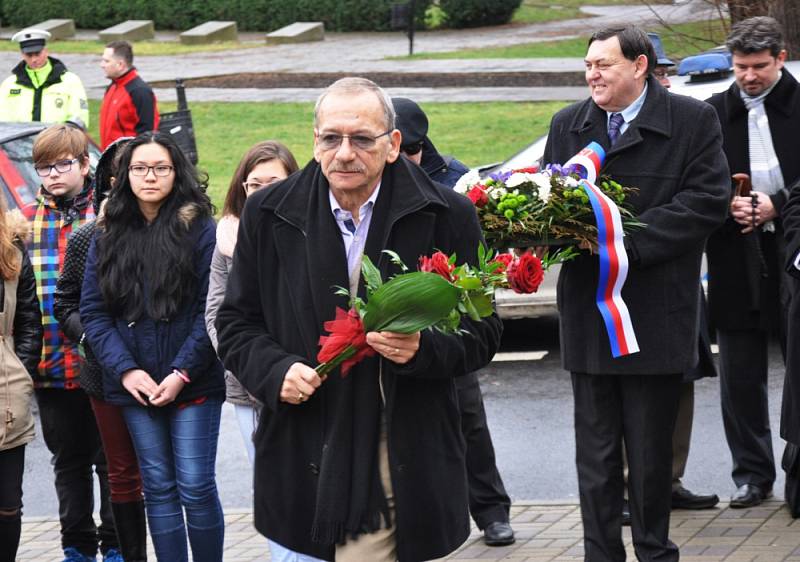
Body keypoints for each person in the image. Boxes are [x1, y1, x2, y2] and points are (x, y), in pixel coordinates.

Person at [215, 77, 503, 561]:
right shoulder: (269, 212)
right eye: (331, 138)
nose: (344, 153)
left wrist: (423, 349)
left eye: (361, 139)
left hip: (401, 438)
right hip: (304, 439)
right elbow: (237, 322)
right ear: (314, 141)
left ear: (392, 145)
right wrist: (274, 369)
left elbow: (484, 331)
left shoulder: (446, 213)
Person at [542, 26, 729, 561]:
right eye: (588, 65)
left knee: (649, 458)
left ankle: (654, 552)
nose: (592, 75)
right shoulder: (568, 124)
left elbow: (706, 202)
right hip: (589, 315)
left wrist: (625, 243)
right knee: (596, 458)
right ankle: (599, 554)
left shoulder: (693, 121)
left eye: (603, 64)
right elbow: (551, 201)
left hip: (654, 315)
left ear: (640, 66)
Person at [80, 132, 226, 562]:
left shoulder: (200, 229)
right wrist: (126, 371)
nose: (150, 176)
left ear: (176, 172)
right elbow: (93, 312)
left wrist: (181, 372)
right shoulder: (106, 232)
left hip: (192, 379)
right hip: (134, 382)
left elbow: (210, 309)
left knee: (196, 484)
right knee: (158, 487)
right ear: (124, 175)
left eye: (160, 168)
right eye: (140, 168)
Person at [392, 95, 515, 547]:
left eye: (412, 152)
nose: (404, 160)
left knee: (468, 418)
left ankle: (491, 510)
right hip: (396, 318)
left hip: (447, 322)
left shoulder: (456, 181)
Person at [205, 141, 318, 562]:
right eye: (255, 184)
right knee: (274, 490)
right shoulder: (228, 238)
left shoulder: (314, 228)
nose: (264, 191)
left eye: (275, 181)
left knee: (317, 487)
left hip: (311, 382)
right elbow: (217, 316)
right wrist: (258, 369)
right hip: (249, 388)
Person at [705, 16, 800, 509]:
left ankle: (797, 473)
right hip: (733, 253)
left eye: (759, 66)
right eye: (740, 67)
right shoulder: (711, 113)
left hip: (794, 253)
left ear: (781, 58)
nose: (748, 77)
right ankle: (752, 474)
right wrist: (728, 203)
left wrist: (777, 204)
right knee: (740, 374)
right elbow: (695, 181)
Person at [23, 124, 118, 562]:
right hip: (50, 365)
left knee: (111, 460)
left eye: (62, 164)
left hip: (103, 363)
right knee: (68, 462)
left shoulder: (107, 218)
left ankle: (116, 543)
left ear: (85, 165)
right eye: (43, 167)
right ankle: (76, 546)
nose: (52, 175)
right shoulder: (24, 225)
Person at [54, 137, 148, 562]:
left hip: (163, 374)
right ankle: (111, 549)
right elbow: (66, 303)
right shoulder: (88, 237)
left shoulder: (179, 233)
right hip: (102, 374)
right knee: (114, 468)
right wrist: (93, 341)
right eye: (123, 173)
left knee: (160, 474)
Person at [0, 207, 42, 562]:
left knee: (7, 503)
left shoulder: (11, 249)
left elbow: (29, 318)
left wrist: (22, 371)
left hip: (7, 390)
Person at [0, 29, 89, 126]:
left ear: (46, 51)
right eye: (29, 55)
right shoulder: (9, 84)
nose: (34, 59)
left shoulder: (70, 81)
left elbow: (79, 117)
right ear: (22, 54)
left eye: (37, 54)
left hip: (58, 140)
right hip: (19, 140)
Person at [99, 41, 159, 150]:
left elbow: (147, 134)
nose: (101, 65)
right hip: (110, 160)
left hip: (127, 161)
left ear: (120, 65)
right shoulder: (113, 87)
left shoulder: (140, 92)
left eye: (106, 61)